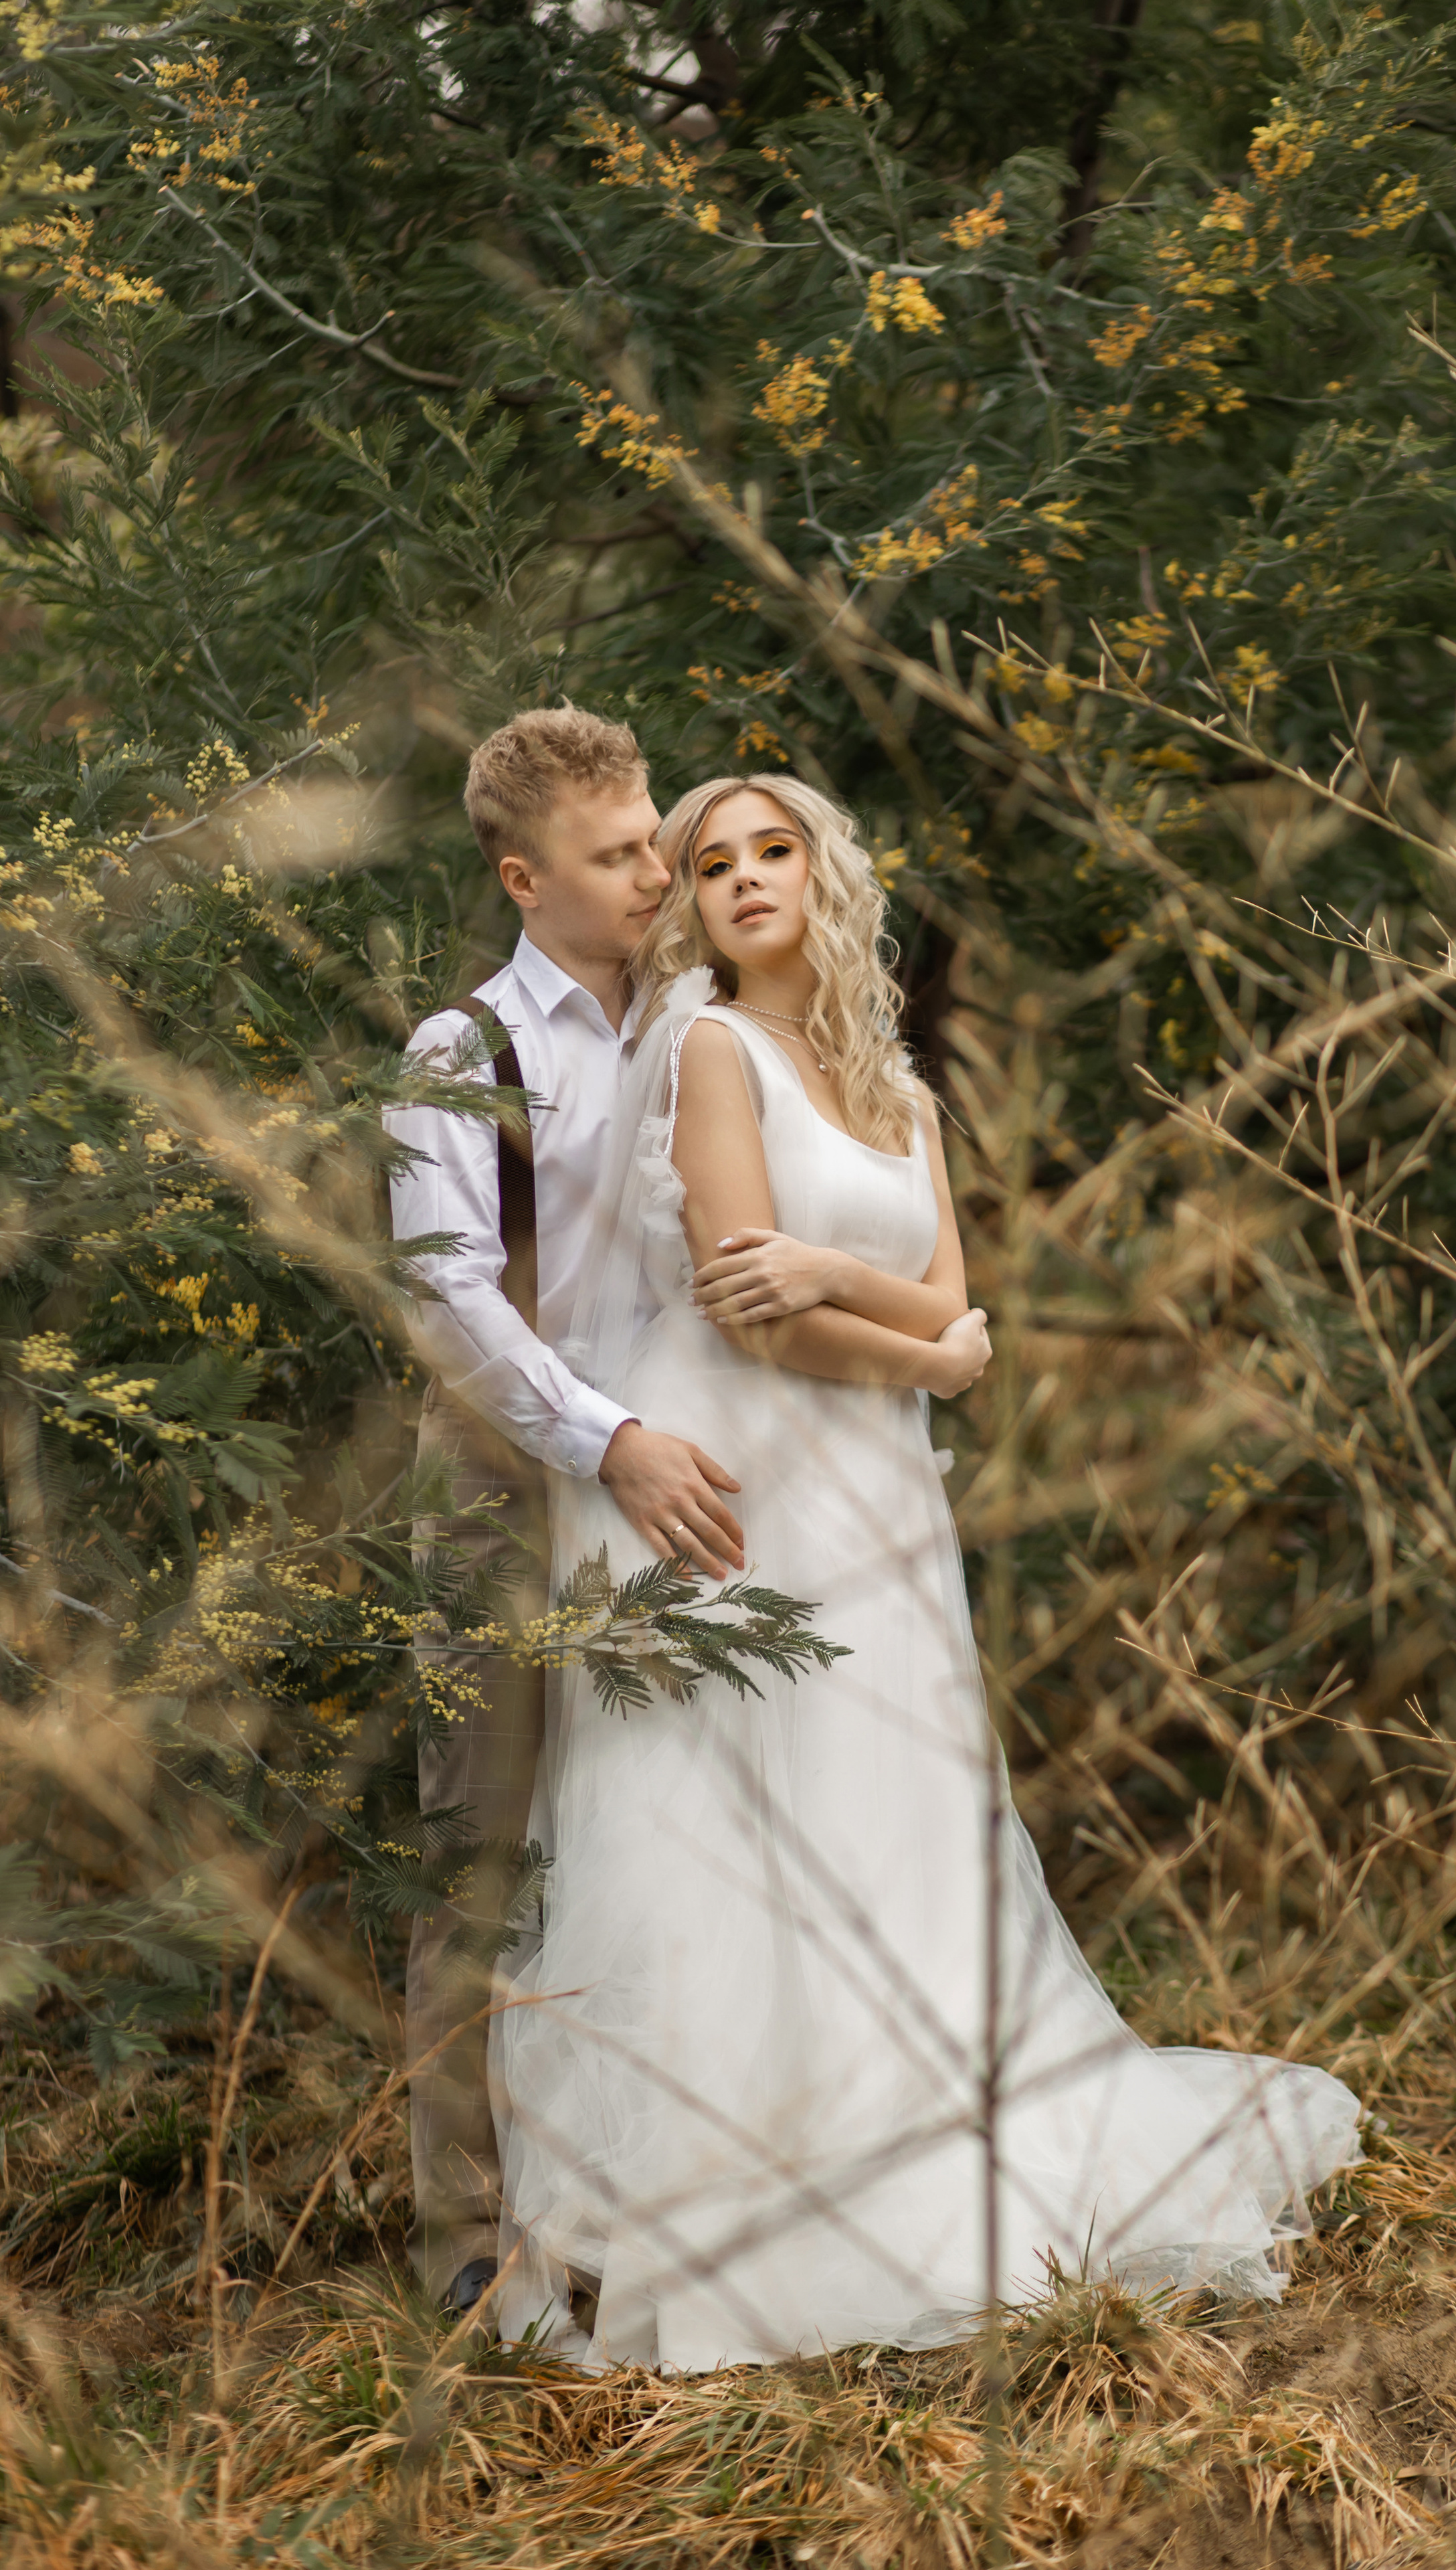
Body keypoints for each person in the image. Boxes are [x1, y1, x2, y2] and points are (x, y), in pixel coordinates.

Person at [492, 775, 1361, 2369]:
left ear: (826, 878)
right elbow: (764, 1310)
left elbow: (960, 1315)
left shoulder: (897, 1089)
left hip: (876, 1486)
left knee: (888, 1801)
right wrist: (895, 1322)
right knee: (743, 1823)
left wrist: (860, 1287)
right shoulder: (711, 1052)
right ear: (687, 900)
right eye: (712, 863)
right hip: (741, 1477)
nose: (747, 878)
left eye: (775, 851)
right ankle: (747, 2186)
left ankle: (916, 2124)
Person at [386, 705, 750, 2314]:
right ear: (527, 880)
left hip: (673, 1468)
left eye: (655, 834)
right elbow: (447, 1292)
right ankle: (470, 2231)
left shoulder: (701, 1017)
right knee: (490, 1841)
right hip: (506, 1481)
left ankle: (656, 2180)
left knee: (666, 1829)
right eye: (617, 855)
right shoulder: (461, 1052)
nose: (657, 869)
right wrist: (606, 1443)